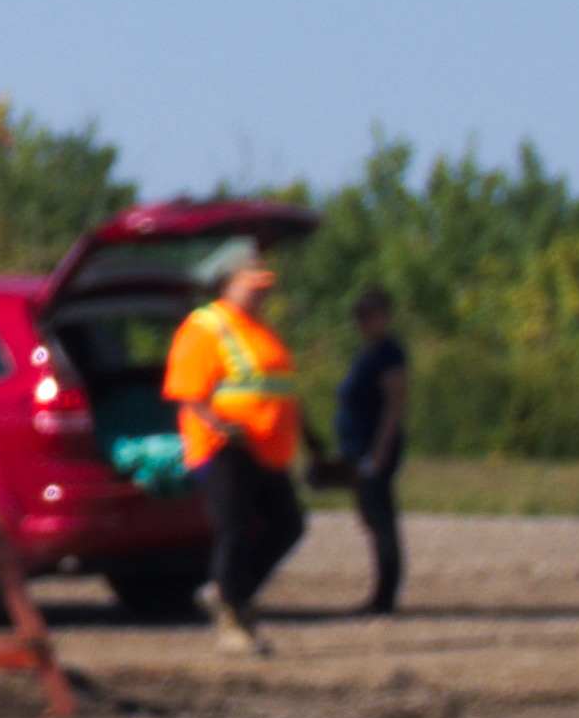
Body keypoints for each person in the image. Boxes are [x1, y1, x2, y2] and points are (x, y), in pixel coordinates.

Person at [162, 245, 306, 653]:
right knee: (234, 529)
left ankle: (227, 592)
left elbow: (281, 390)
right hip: (223, 445)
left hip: (263, 446)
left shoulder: (259, 329)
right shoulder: (206, 327)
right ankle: (231, 621)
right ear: (227, 283)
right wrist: (217, 423)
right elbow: (187, 391)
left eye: (265, 287)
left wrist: (310, 441)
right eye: (253, 285)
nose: (262, 293)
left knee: (287, 525)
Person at [336, 287, 411, 615]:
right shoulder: (368, 352)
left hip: (374, 449)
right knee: (371, 517)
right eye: (360, 316)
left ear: (385, 316)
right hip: (358, 447)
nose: (363, 322)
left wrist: (380, 451)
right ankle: (382, 592)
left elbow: (395, 405)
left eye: (370, 314)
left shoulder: (389, 354)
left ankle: (385, 596)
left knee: (381, 518)